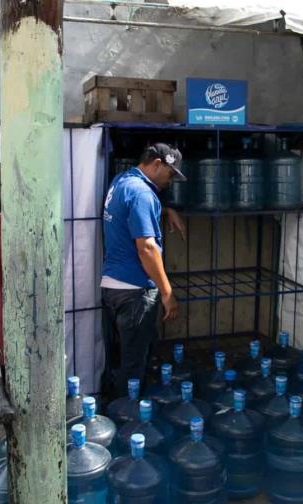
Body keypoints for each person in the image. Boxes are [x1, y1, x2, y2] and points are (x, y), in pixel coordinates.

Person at [101, 143, 186, 397]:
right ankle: (127, 421)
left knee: (120, 358)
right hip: (135, 291)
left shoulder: (122, 181)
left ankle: (112, 407)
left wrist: (165, 209)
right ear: (157, 164)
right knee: (134, 365)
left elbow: (135, 206)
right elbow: (147, 248)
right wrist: (167, 292)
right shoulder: (142, 195)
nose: (171, 181)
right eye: (171, 174)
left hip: (113, 287)